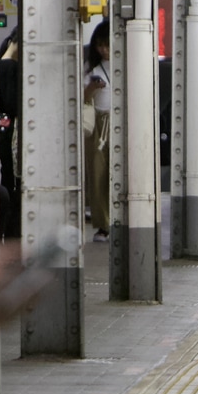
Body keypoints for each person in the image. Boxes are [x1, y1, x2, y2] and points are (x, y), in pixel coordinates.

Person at [83, 21, 112, 242]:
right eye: (99, 45)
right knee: (98, 174)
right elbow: (83, 99)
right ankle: (102, 224)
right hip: (99, 124)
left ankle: (118, 220)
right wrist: (90, 90)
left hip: (120, 121)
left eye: (106, 44)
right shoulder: (91, 70)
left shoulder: (128, 62)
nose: (103, 49)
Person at [0, 26, 22, 239]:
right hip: (11, 131)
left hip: (2, 130)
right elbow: (13, 104)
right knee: (13, 183)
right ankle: (13, 234)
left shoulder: (0, 63)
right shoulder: (10, 67)